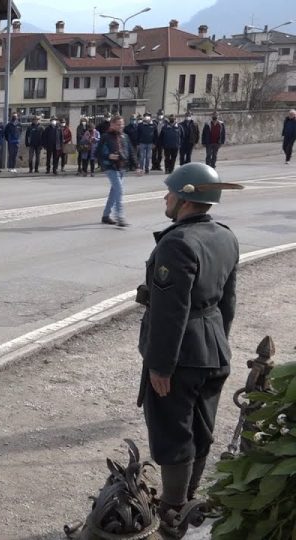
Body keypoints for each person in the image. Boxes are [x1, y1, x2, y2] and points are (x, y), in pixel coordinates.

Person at [137, 162, 240, 539]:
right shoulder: (225, 237)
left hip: (180, 357)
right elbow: (228, 302)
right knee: (201, 430)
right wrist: (219, 345)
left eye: (170, 191)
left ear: (185, 198)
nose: (165, 196)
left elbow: (170, 311)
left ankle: (173, 511)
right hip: (213, 349)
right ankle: (187, 499)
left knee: (172, 433)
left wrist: (160, 366)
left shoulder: (177, 243)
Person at [96, 115, 140, 227]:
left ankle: (105, 216)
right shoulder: (106, 137)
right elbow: (97, 153)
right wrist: (108, 156)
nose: (121, 126)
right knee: (119, 190)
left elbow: (131, 152)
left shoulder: (125, 136)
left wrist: (137, 166)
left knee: (114, 192)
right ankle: (120, 217)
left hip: (121, 167)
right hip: (110, 167)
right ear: (112, 125)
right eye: (118, 124)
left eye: (122, 124)